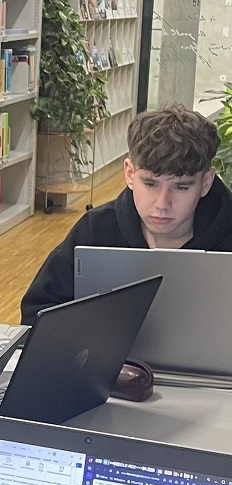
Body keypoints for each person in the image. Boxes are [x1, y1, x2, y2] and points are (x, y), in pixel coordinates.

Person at [20, 104, 232, 325]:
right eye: (150, 184)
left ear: (206, 183)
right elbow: (37, 312)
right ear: (130, 174)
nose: (162, 204)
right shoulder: (95, 230)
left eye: (181, 187)